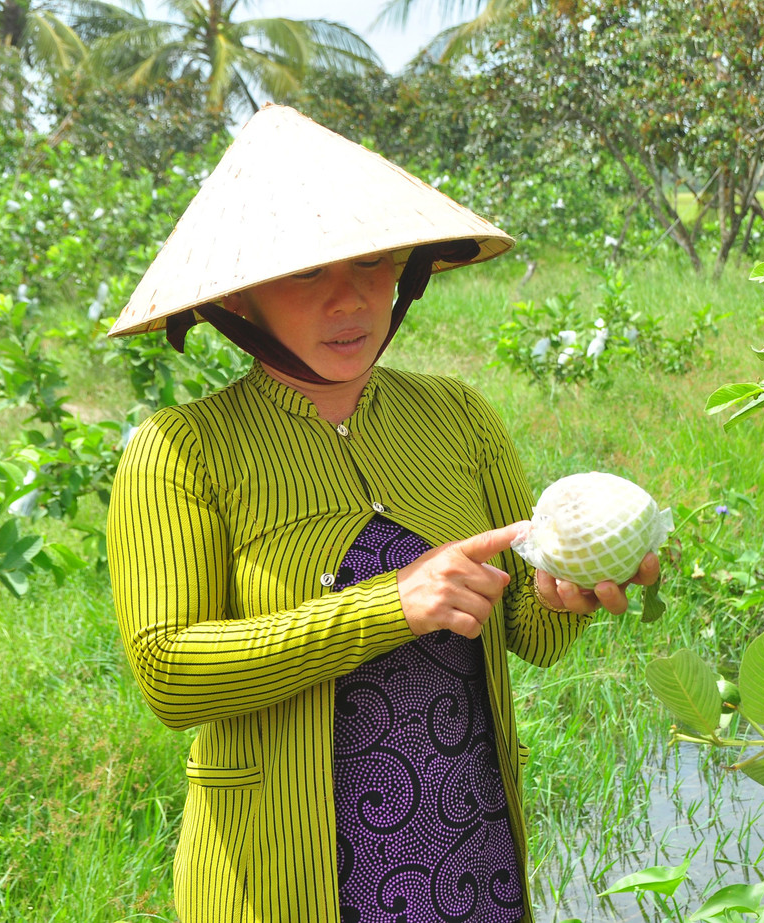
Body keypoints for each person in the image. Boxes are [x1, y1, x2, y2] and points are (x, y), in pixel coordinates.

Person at [106, 105, 659, 923]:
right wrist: (391, 604)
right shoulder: (182, 449)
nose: (350, 299)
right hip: (284, 873)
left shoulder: (458, 417)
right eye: (305, 272)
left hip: (465, 846)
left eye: (371, 263)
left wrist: (563, 594)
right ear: (241, 297)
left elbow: (528, 636)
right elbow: (170, 675)